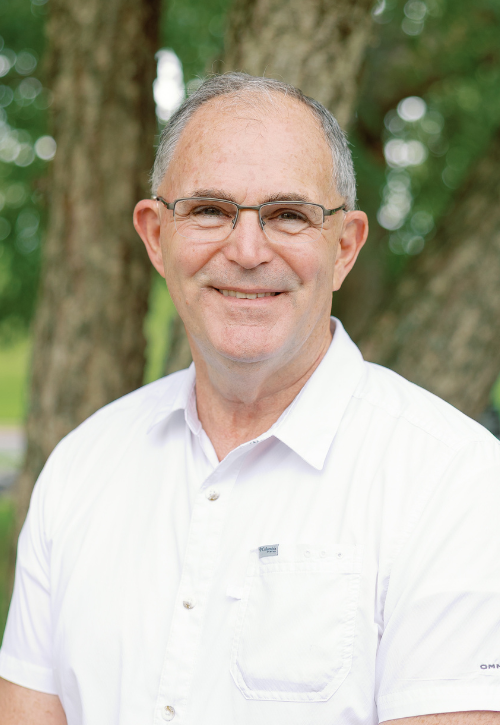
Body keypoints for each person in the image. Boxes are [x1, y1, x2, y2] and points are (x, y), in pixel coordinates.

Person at [0, 73, 499, 725]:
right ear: (155, 235)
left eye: (288, 214)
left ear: (344, 247)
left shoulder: (455, 482)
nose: (246, 249)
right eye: (209, 209)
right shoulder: (82, 464)